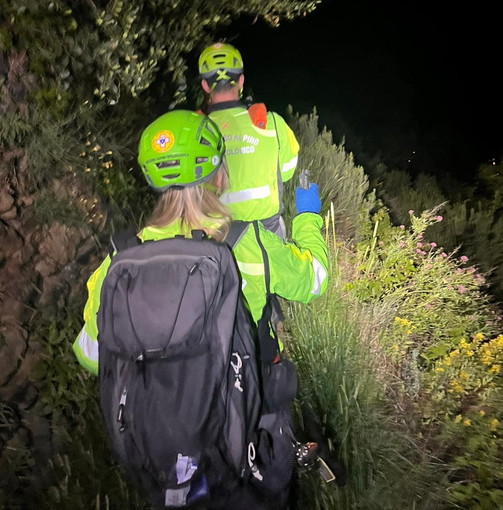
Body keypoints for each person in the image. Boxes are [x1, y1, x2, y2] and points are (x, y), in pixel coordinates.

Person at [72, 110, 328, 508]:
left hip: (164, 460)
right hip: (249, 436)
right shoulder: (247, 241)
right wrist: (309, 217)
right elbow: (314, 280)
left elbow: (90, 356)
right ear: (219, 174)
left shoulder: (119, 262)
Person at [198, 42, 300, 239]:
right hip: (266, 236)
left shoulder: (196, 130)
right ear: (241, 80)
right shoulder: (272, 123)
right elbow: (287, 171)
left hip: (215, 239)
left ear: (205, 85)